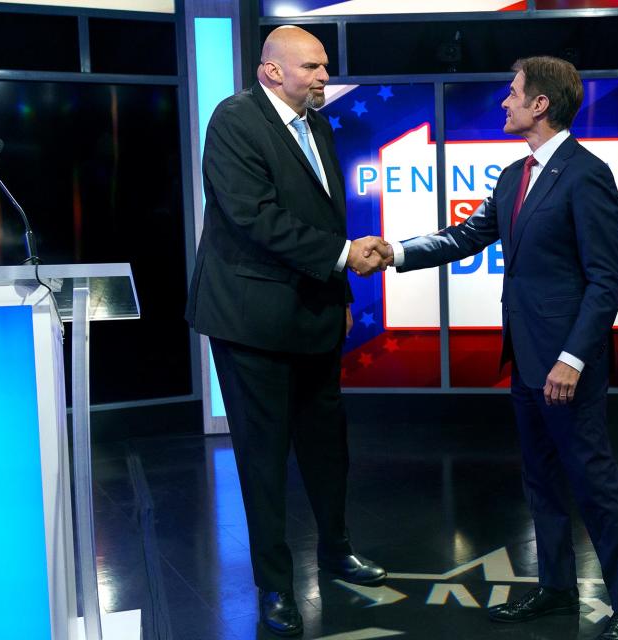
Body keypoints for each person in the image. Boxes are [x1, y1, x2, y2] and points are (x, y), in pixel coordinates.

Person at [386, 57, 618, 640]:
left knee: (595, 484)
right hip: (526, 358)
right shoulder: (514, 176)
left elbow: (606, 280)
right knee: (541, 481)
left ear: (541, 105)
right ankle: (557, 589)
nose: (503, 102)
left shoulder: (587, 175)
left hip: (566, 366)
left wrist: (573, 358)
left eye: (512, 93)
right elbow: (465, 236)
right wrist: (395, 252)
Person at [185, 25, 389, 638]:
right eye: (312, 67)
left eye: (325, 66)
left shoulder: (315, 120)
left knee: (328, 447)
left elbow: (326, 214)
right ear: (271, 70)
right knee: (263, 458)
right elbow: (256, 220)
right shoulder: (234, 120)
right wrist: (344, 257)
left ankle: (336, 550)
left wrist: (341, 290)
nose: (325, 76)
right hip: (251, 321)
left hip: (315, 314)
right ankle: (275, 585)